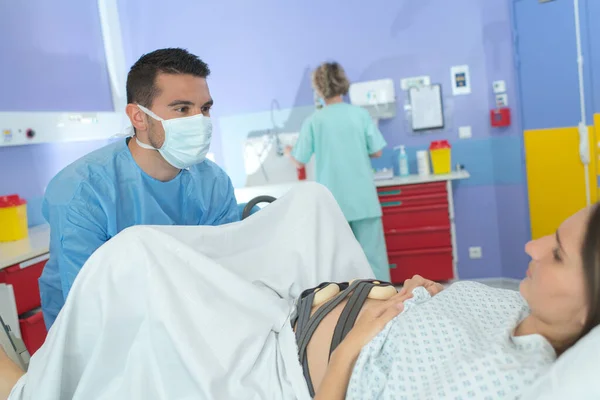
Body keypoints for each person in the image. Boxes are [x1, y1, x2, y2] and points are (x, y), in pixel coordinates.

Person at [2, 183, 599, 399]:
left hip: (295, 361)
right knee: (312, 201)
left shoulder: (509, 383)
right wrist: (426, 293)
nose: (529, 247)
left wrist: (353, 342)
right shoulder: (513, 300)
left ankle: (29, 394)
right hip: (325, 297)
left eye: (556, 252)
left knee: (134, 257)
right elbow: (447, 315)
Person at [38, 48, 240, 329]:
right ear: (139, 117)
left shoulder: (214, 183)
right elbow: (90, 308)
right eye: (182, 109)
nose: (200, 121)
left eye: (204, 108)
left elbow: (229, 270)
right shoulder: (82, 190)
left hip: (195, 322)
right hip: (101, 339)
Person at [285, 61, 389, 281]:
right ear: (342, 82)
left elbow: (298, 160)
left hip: (333, 204)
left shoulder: (315, 120)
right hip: (363, 200)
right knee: (374, 260)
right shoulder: (359, 115)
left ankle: (350, 309)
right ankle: (386, 305)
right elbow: (377, 151)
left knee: (338, 263)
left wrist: (287, 151)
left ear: (319, 89)